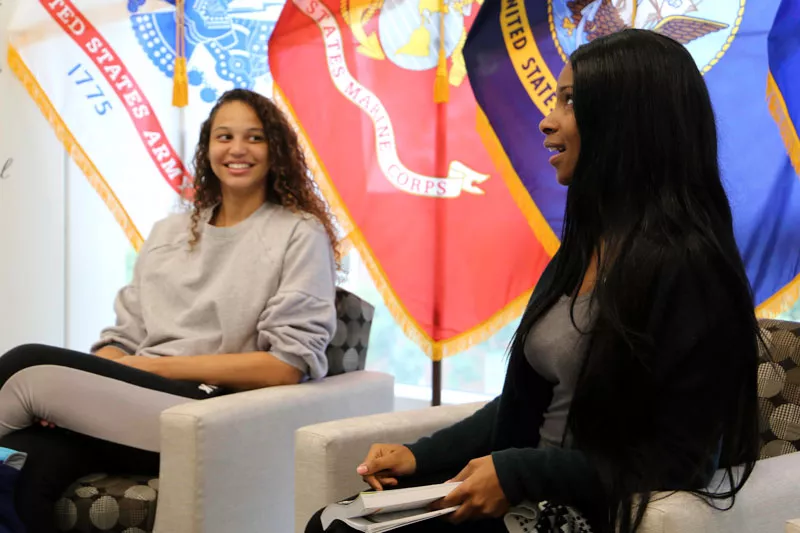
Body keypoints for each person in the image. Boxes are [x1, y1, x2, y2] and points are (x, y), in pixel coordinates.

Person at [306, 29, 762, 533]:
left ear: (627, 121)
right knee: (334, 521)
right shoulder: (585, 247)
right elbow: (530, 403)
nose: (547, 121)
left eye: (568, 101)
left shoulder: (693, 270)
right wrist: (421, 456)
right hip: (526, 495)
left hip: (578, 512)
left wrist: (522, 473)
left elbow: (682, 460)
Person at [0, 88, 340, 532]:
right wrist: (80, 394)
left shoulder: (299, 233)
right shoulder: (169, 231)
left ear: (276, 150)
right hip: (133, 405)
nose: (237, 149)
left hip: (210, 409)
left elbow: (287, 365)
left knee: (26, 364)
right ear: (207, 149)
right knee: (24, 463)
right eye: (224, 136)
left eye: (254, 138)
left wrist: (158, 370)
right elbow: (120, 340)